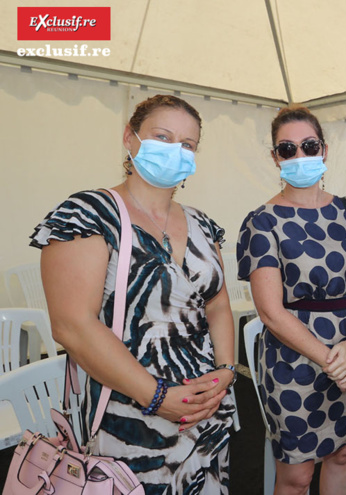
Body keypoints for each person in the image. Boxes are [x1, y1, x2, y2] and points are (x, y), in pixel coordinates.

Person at [32, 94, 236, 493]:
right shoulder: (88, 213)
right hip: (129, 415)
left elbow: (219, 304)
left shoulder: (201, 224)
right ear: (130, 138)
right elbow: (72, 325)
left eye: (187, 145)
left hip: (205, 411)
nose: (175, 151)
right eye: (162, 137)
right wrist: (158, 396)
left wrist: (225, 374)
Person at [237, 106, 346, 495]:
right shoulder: (261, 221)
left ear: (325, 150)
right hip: (293, 359)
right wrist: (334, 362)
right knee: (297, 477)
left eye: (309, 145)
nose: (300, 155)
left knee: (344, 453)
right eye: (287, 148)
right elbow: (270, 311)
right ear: (275, 157)